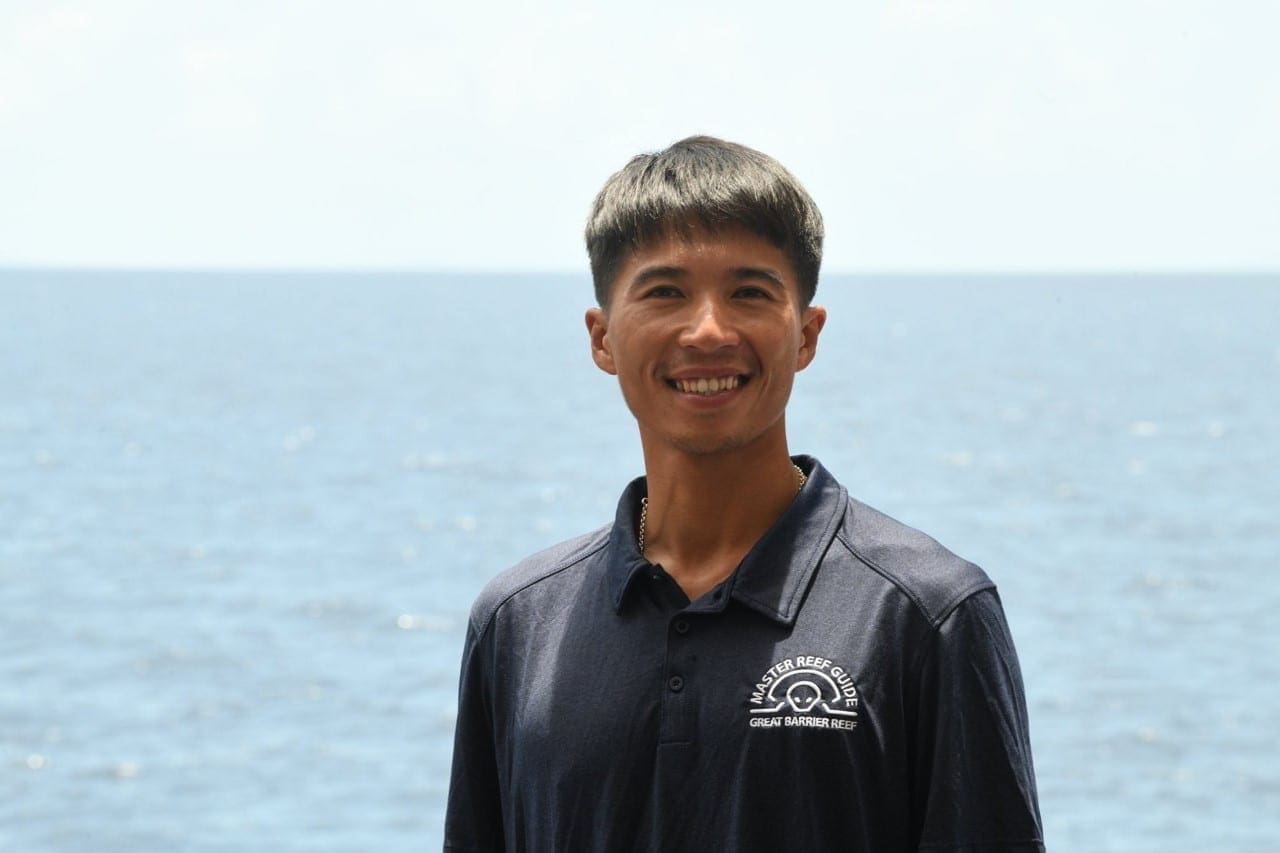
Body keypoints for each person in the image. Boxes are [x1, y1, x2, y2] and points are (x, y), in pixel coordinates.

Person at [444, 136, 1044, 852]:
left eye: (749, 293)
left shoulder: (925, 614)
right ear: (602, 338)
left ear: (806, 335)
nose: (708, 330)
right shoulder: (517, 624)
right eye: (665, 292)